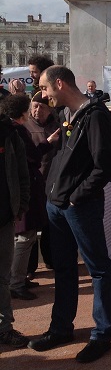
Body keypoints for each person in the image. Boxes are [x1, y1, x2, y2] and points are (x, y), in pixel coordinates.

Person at [28, 65, 111, 363]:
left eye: (45, 87)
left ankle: (101, 335)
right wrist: (55, 195)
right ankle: (61, 328)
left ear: (60, 84)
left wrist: (77, 198)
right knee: (64, 269)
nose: (42, 94)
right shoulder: (67, 114)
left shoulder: (96, 115)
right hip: (58, 206)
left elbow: (103, 166)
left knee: (99, 270)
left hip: (80, 207)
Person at [0, 95, 58, 301]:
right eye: (31, 108)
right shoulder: (15, 131)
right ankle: (16, 282)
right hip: (26, 191)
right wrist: (48, 142)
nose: (34, 112)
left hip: (26, 190)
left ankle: (18, 279)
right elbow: (31, 156)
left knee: (25, 237)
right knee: (25, 237)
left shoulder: (13, 129)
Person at [0, 103, 31, 350]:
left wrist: (20, 205)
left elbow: (23, 173)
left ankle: (3, 329)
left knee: (2, 277)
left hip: (3, 218)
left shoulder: (9, 133)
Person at [24, 92, 59, 276]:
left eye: (42, 107)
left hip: (52, 184)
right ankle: (29, 269)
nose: (37, 110)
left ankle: (50, 260)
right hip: (32, 185)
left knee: (49, 226)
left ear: (50, 109)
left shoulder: (57, 125)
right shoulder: (24, 126)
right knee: (29, 229)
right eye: (34, 106)